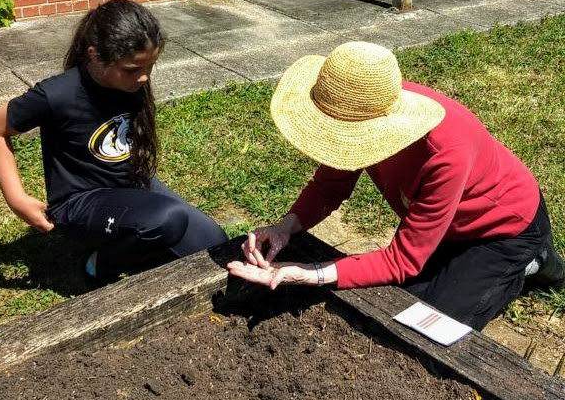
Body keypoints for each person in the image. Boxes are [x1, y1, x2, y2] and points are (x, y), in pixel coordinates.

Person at [227, 41, 564, 330]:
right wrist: (285, 227)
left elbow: (402, 261)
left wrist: (308, 273)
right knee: (393, 304)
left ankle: (534, 261)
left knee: (426, 326)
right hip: (447, 227)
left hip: (503, 229)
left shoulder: (445, 152)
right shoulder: (360, 102)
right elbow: (330, 186)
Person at [0, 0, 227, 285]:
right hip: (81, 201)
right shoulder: (57, 94)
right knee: (169, 219)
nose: (143, 77)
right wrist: (17, 200)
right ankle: (98, 264)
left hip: (130, 183)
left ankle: (142, 232)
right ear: (95, 55)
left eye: (150, 66)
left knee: (216, 244)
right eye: (131, 69)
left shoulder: (131, 80)